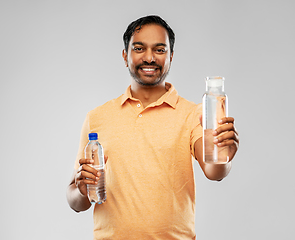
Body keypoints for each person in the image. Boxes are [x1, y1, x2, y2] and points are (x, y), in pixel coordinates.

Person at [67, 15, 239, 239]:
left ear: (171, 56)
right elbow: (76, 201)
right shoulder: (97, 117)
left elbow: (214, 172)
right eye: (139, 48)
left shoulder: (193, 114)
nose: (149, 58)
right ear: (125, 56)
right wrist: (81, 190)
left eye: (159, 50)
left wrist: (224, 154)